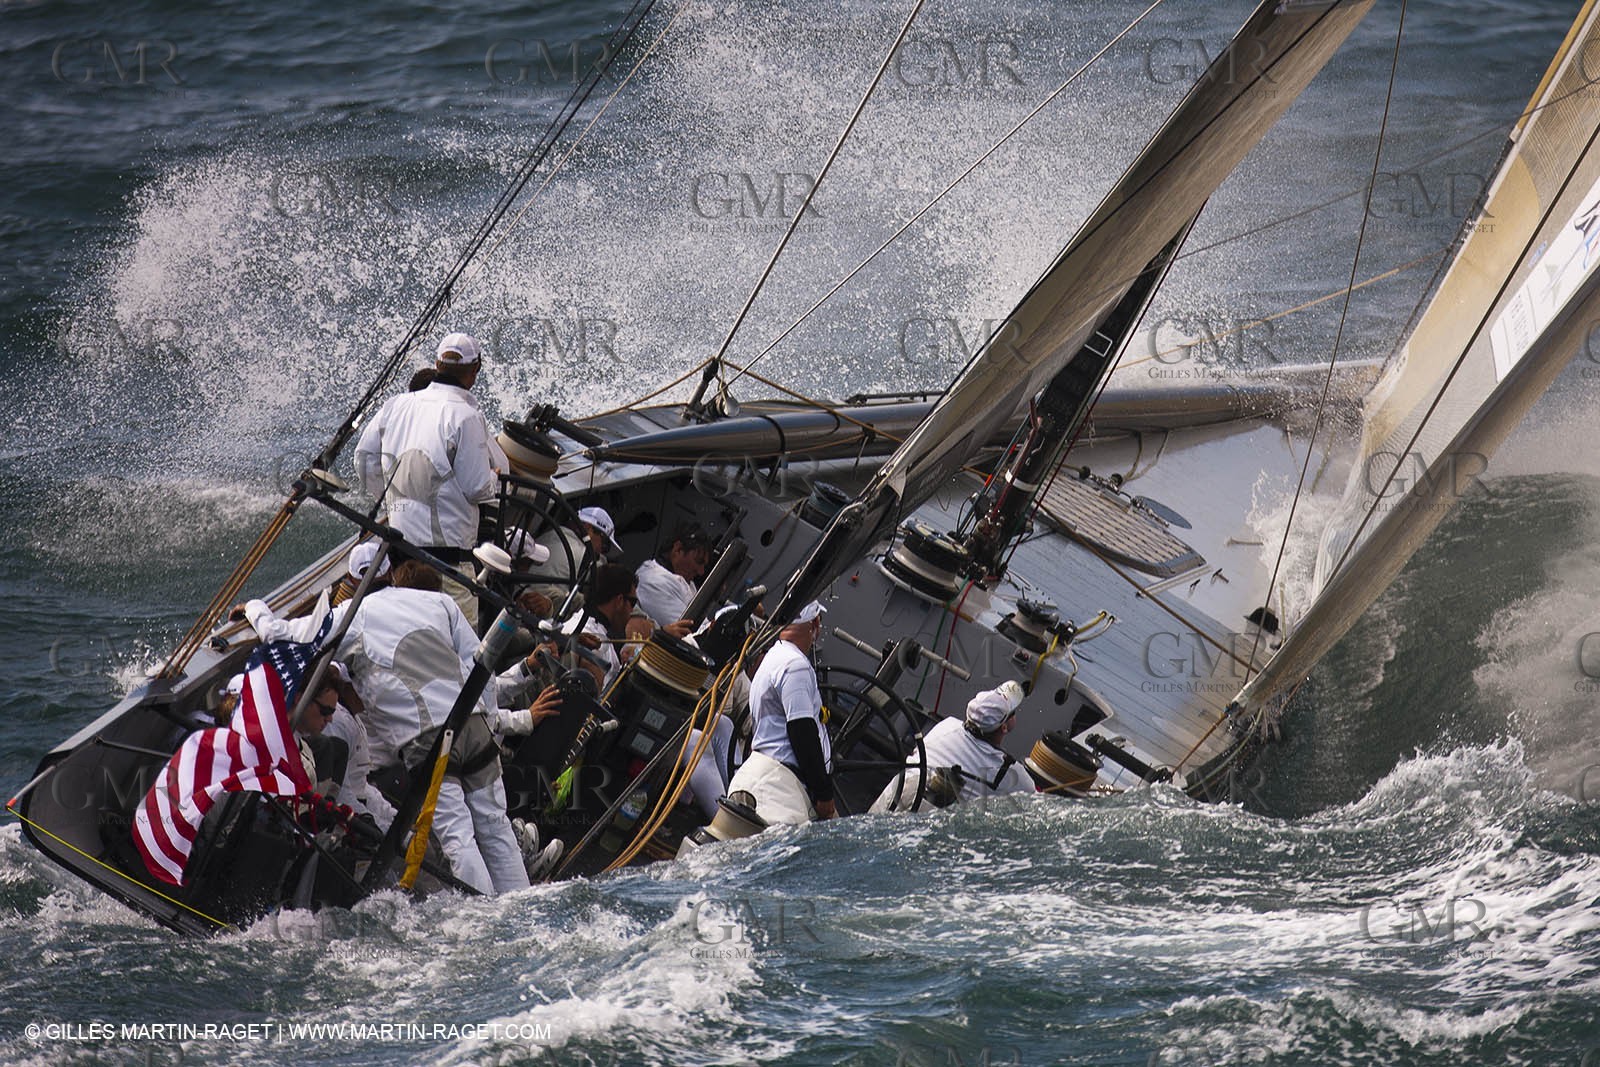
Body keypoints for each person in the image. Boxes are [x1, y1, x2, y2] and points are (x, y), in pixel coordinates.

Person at [334, 558, 527, 895]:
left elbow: (307, 637)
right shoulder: (442, 614)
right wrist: (505, 717)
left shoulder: (361, 638)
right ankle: (518, 903)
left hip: (416, 755)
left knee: (457, 837)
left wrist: (261, 617)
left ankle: (487, 914)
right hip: (472, 728)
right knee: (495, 828)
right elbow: (481, 672)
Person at [353, 332, 506, 627]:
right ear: (474, 372)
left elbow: (364, 458)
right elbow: (477, 488)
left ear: (436, 364)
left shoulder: (396, 405)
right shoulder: (466, 416)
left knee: (409, 638)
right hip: (449, 569)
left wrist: (392, 501)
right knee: (459, 653)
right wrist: (494, 477)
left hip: (403, 563)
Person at [724, 601, 833, 825]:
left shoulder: (773, 658)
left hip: (758, 780)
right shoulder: (796, 665)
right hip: (776, 793)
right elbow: (801, 730)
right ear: (815, 623)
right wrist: (823, 794)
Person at [871, 681, 1035, 813]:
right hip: (925, 821)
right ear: (1004, 727)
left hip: (892, 798)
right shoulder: (1013, 774)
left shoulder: (947, 725)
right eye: (1013, 712)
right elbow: (1035, 804)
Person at [636, 522, 712, 637]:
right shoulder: (652, 581)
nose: (701, 571)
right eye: (698, 561)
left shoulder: (687, 582)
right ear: (678, 549)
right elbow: (690, 633)